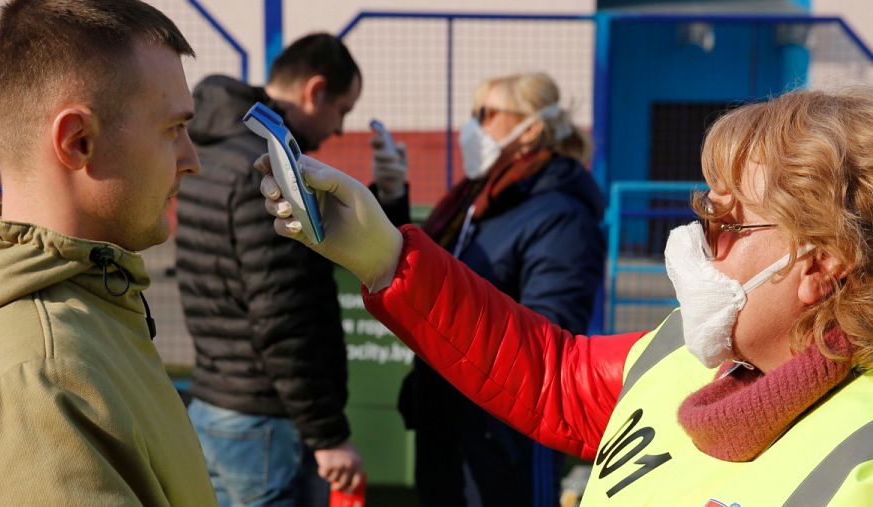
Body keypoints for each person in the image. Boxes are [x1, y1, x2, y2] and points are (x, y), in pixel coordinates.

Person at [257, 88, 873, 505]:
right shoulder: (683, 354)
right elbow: (553, 374)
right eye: (703, 211)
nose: (693, 244)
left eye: (725, 224)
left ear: (821, 262)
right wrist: (385, 258)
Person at [0, 0, 216, 504]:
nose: (192, 161)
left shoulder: (92, 302)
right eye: (173, 130)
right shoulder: (45, 380)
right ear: (78, 141)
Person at [175, 33, 408, 506]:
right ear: (315, 90)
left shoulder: (214, 149)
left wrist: (385, 195)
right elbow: (285, 319)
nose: (339, 129)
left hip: (215, 402)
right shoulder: (265, 169)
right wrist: (329, 436)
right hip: (264, 422)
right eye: (342, 109)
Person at [373, 72, 604, 507]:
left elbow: (547, 333)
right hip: (447, 420)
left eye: (486, 113)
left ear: (531, 128)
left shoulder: (561, 215)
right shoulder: (477, 201)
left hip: (502, 438)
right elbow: (428, 274)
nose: (472, 127)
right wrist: (391, 198)